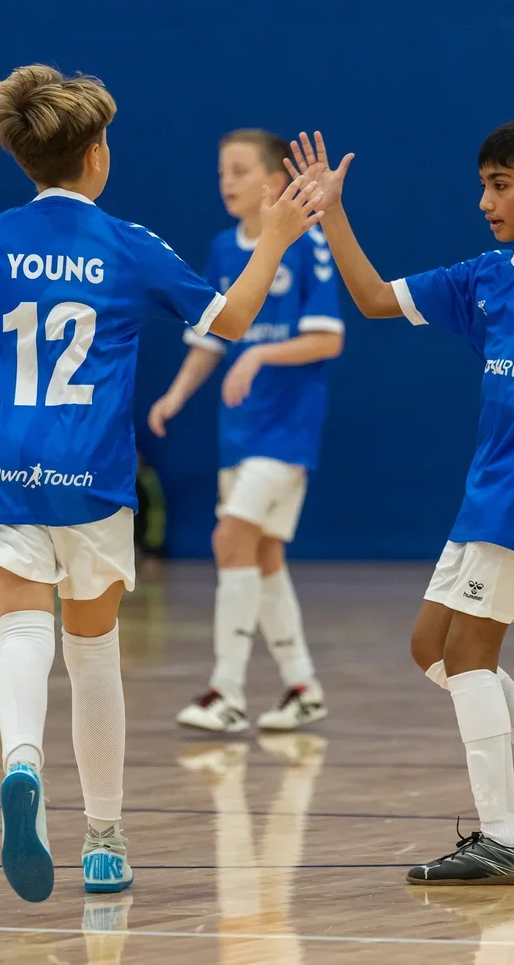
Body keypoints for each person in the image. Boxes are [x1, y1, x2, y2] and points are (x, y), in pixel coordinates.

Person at [0, 64, 324, 903]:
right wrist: (274, 238)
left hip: (3, 468)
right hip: (90, 478)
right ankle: (103, 840)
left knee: (20, 637)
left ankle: (22, 764)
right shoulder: (129, 245)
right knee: (92, 656)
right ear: (97, 153)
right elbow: (230, 323)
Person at [289, 121, 514, 884]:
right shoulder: (485, 276)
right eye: (483, 183)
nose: (484, 199)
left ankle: (505, 838)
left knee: (468, 655)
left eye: (500, 185)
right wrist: (332, 212)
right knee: (431, 649)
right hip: (486, 488)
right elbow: (372, 296)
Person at [149, 129, 342, 734]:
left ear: (275, 180)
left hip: (286, 436)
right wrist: (176, 394)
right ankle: (303, 686)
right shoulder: (223, 249)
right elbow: (211, 337)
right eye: (221, 171)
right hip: (239, 434)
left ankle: (226, 691)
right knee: (261, 557)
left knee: (230, 539)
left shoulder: (308, 244)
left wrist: (260, 356)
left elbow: (327, 337)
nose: (226, 182)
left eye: (239, 170)